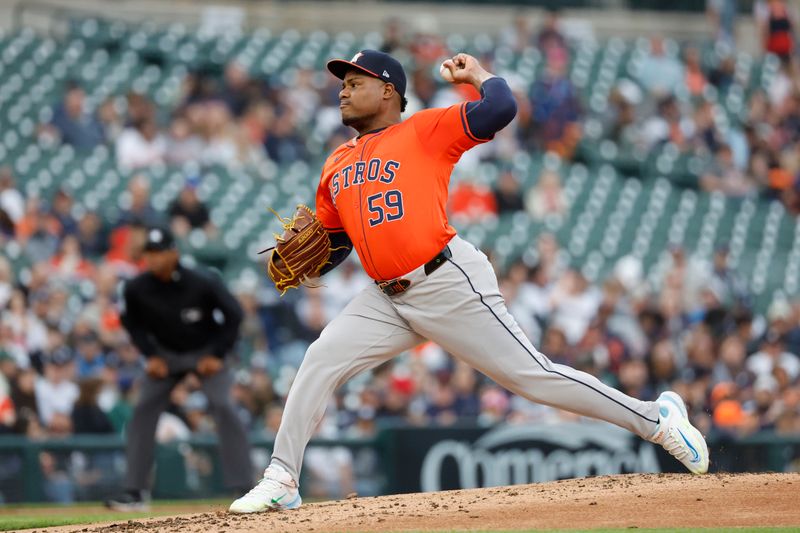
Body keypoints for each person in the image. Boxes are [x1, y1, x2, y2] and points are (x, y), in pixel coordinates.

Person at [230, 49, 709, 514]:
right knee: (321, 358)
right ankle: (282, 478)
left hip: (445, 280)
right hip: (384, 297)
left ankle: (657, 420)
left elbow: (500, 108)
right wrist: (307, 263)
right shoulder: (335, 162)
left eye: (356, 83)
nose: (344, 92)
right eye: (342, 84)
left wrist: (477, 74)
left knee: (534, 378)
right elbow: (336, 243)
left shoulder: (424, 129)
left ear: (389, 91)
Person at [105, 226, 251, 511]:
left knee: (223, 405)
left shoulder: (202, 281)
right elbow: (131, 324)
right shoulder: (136, 288)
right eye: (150, 253)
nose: (155, 259)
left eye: (160, 252)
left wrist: (218, 354)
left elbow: (235, 314)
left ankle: (245, 486)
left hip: (205, 351)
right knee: (144, 408)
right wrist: (150, 355)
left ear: (174, 253)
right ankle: (134, 491)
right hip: (166, 355)